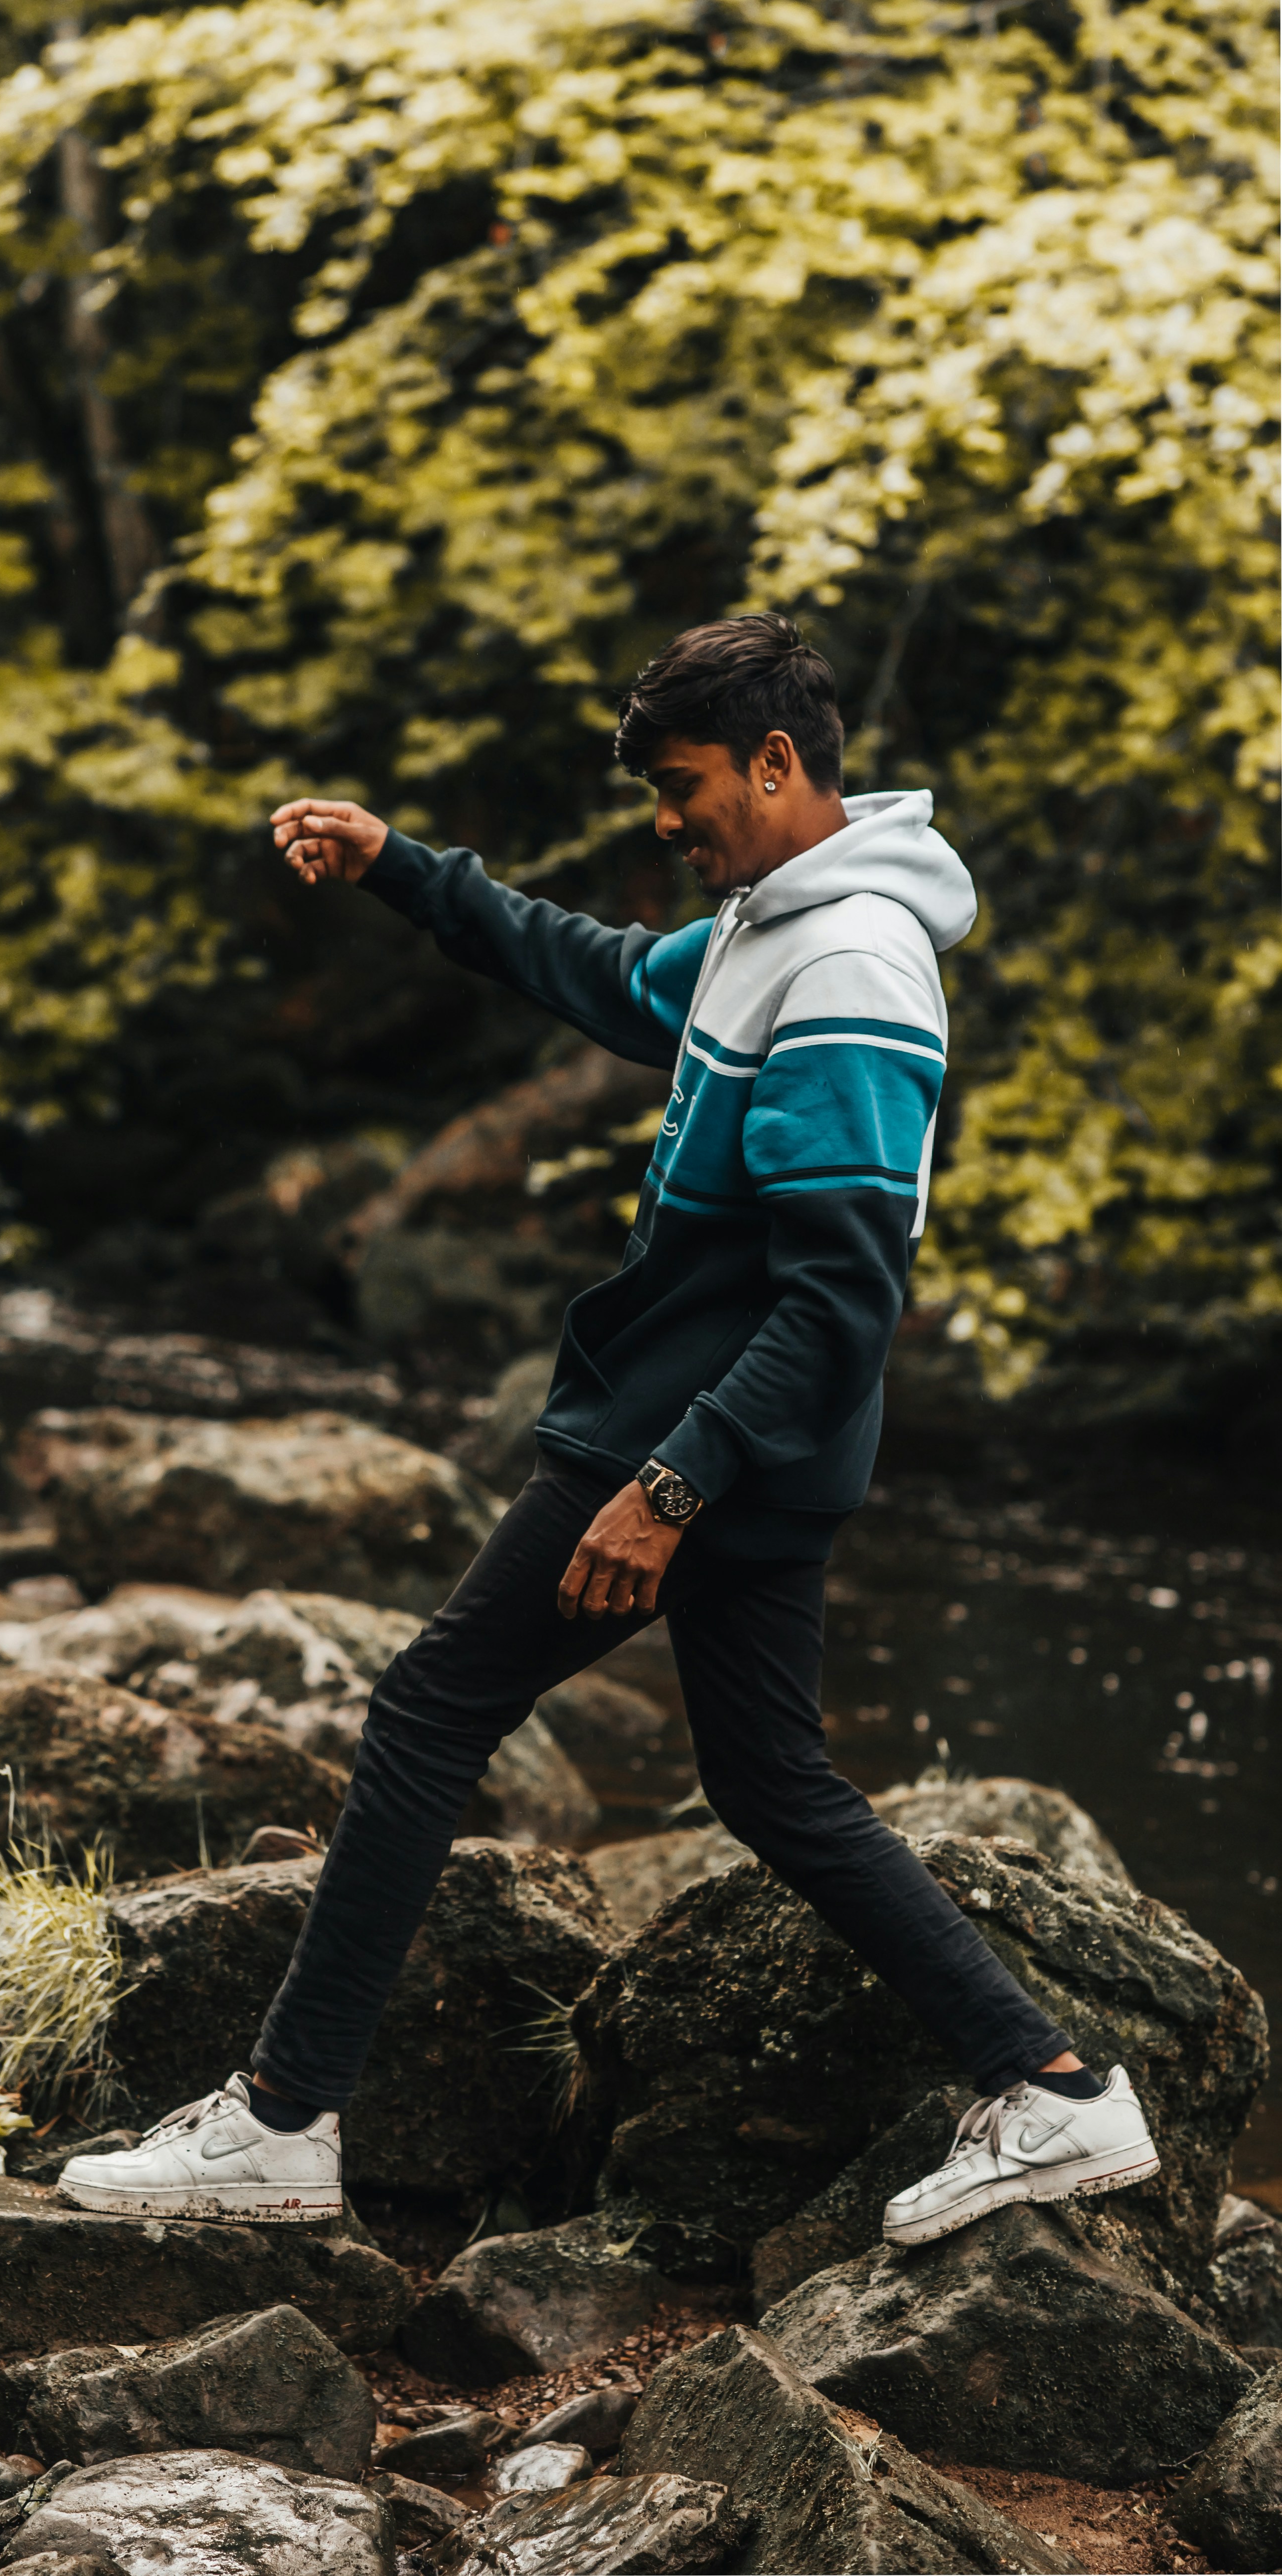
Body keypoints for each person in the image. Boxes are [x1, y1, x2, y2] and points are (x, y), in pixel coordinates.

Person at [57, 612, 1158, 2246]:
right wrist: (403, 867)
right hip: (752, 1450)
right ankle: (1057, 2092)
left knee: (430, 1710)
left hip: (697, 1441)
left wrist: (666, 1483)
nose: (667, 815)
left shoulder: (852, 961)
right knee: (776, 1780)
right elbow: (601, 973)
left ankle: (284, 2122)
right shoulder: (761, 929)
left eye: (686, 781)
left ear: (779, 765)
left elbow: (845, 1299)